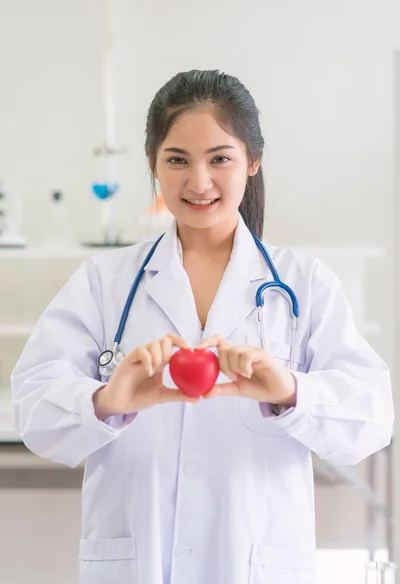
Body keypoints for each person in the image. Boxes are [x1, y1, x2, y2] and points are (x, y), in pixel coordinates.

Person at [11, 69, 394, 584]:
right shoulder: (105, 282)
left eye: (220, 158)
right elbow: (34, 407)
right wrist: (107, 401)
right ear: (153, 163)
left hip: (256, 566)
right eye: (177, 160)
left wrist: (290, 391)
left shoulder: (303, 284)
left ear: (252, 162)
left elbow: (371, 418)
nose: (198, 182)